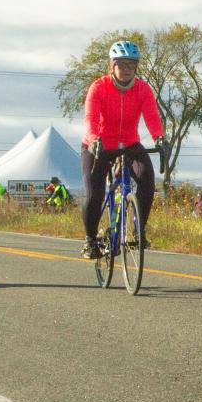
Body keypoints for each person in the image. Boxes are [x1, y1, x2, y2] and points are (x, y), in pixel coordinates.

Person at [80, 40, 167, 258]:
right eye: (122, 65)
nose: (126, 70)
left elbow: (152, 117)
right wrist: (93, 139)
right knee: (94, 194)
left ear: (136, 68)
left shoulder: (143, 89)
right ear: (112, 65)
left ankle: (138, 231)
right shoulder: (98, 87)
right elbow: (90, 119)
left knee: (147, 181)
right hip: (98, 144)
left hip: (129, 143)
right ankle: (90, 241)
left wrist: (159, 138)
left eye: (131, 65)